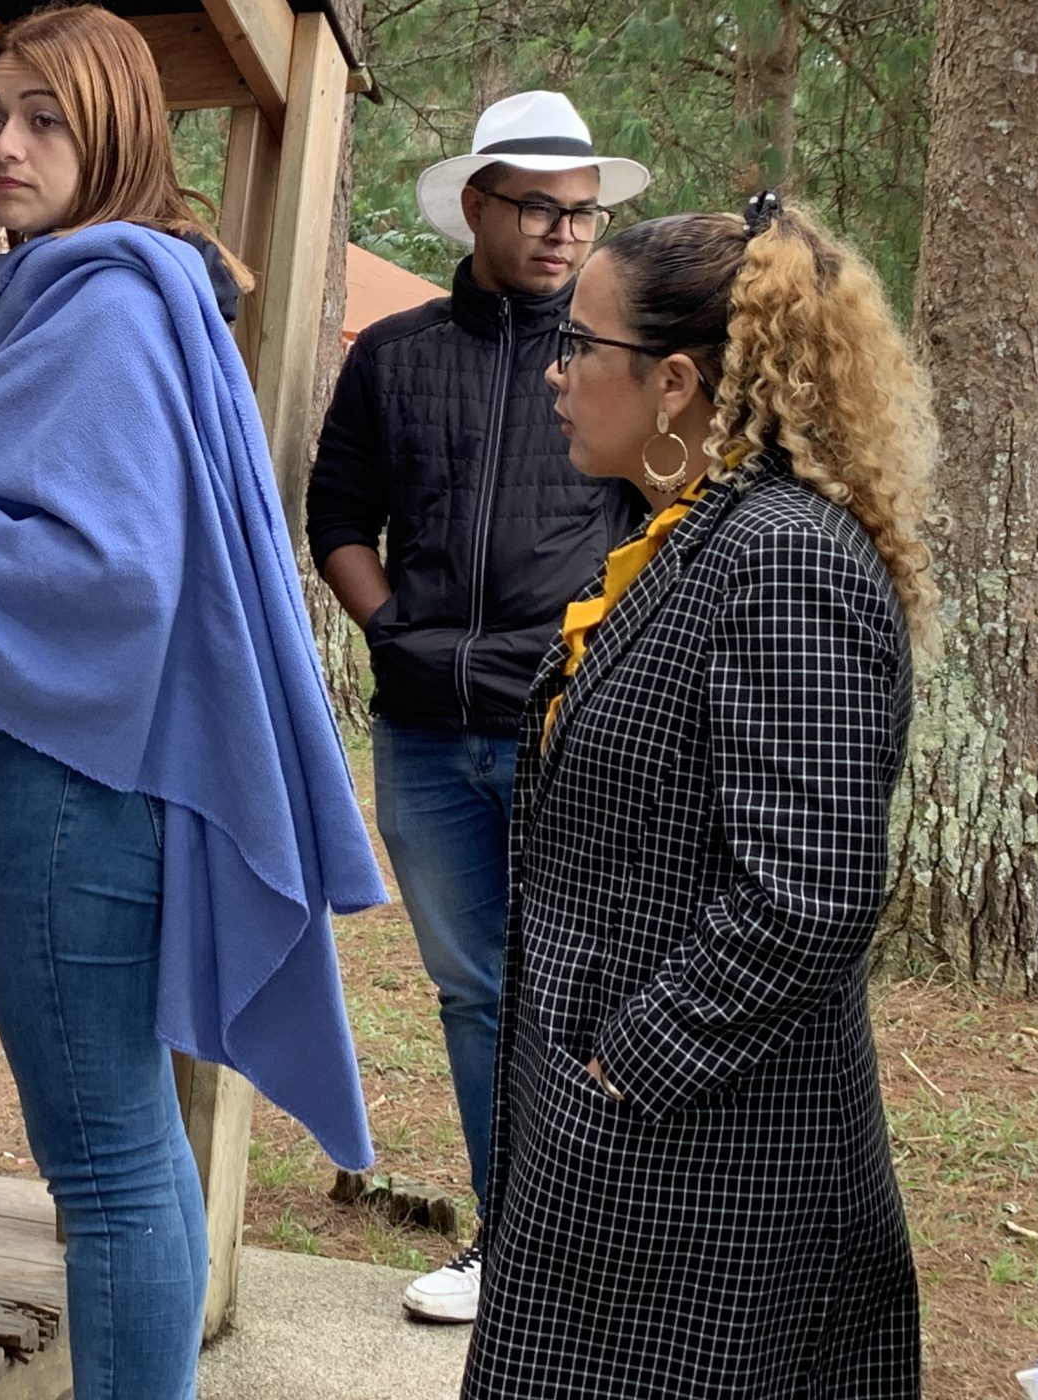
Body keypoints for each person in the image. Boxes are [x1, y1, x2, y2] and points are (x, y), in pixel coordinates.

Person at [0, 2, 388, 1400]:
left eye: (45, 120)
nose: (5, 148)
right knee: (126, 1148)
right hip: (73, 775)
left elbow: (112, 574)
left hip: (70, 783)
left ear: (117, 131)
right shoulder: (74, 296)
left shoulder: (108, 310)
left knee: (107, 1161)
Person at [464, 195, 930, 1399]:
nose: (556, 371)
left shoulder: (781, 558)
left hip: (712, 1182)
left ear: (673, 382)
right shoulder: (691, 538)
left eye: (581, 345)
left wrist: (625, 1068)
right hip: (634, 1170)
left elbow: (810, 892)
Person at [305, 89, 646, 1321]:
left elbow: (662, 514)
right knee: (475, 993)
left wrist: (598, 660)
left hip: (564, 724)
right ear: (476, 205)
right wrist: (393, 630)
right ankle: (514, 1243)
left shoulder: (612, 358)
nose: (564, 232)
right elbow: (336, 514)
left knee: (587, 984)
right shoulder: (395, 356)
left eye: (583, 212)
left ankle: (606, 1248)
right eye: (539, 207)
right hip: (424, 733)